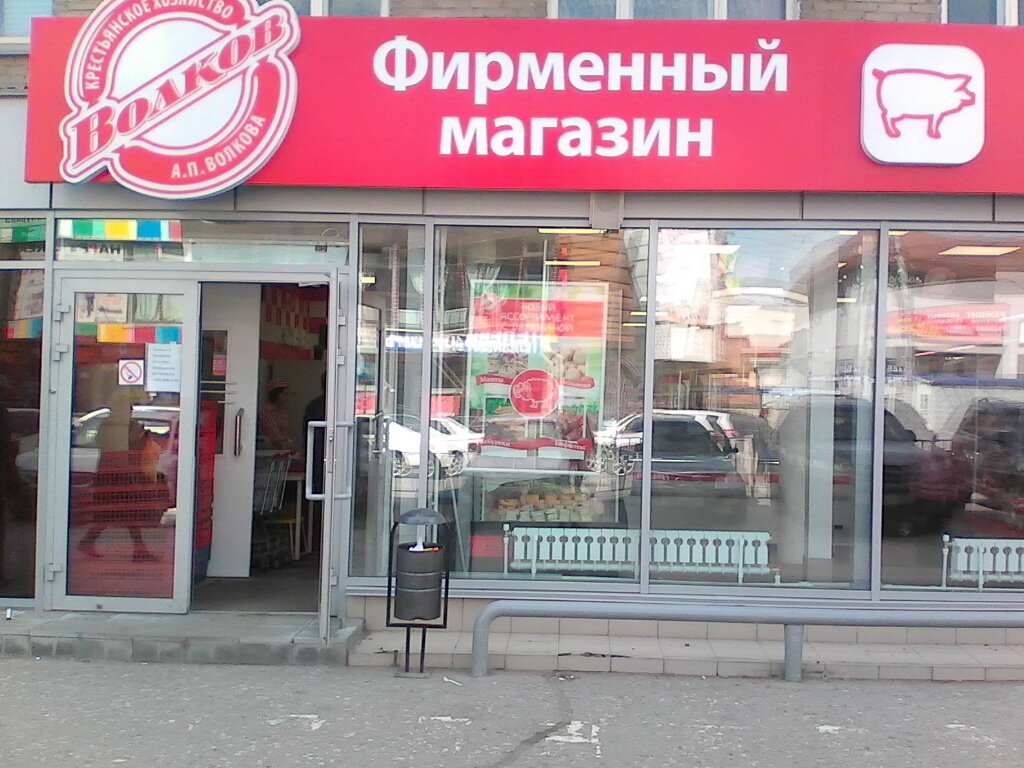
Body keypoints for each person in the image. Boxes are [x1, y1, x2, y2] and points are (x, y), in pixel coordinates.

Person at [258, 378, 296, 452]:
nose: (287, 398)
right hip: (271, 451)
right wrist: (286, 444)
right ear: (276, 395)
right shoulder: (267, 411)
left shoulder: (282, 410)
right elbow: (274, 434)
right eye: (285, 394)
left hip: (283, 450)